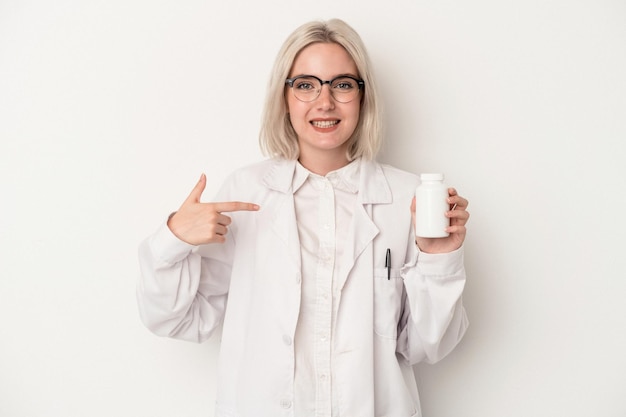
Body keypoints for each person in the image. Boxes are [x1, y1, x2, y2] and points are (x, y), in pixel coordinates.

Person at [137, 18, 470, 417]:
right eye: (306, 84)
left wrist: (438, 259)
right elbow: (174, 320)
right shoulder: (246, 193)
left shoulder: (408, 199)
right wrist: (173, 239)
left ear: (363, 97)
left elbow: (428, 346)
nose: (325, 101)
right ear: (285, 97)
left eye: (343, 84)